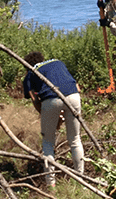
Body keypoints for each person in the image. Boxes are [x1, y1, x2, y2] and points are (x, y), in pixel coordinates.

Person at [22, 51, 85, 187]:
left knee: (48, 143)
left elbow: (34, 99)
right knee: (75, 139)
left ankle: (51, 185)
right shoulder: (57, 62)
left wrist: (47, 116)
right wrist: (59, 117)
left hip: (51, 100)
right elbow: (77, 87)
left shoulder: (31, 72)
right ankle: (81, 179)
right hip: (74, 96)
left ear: (28, 65)